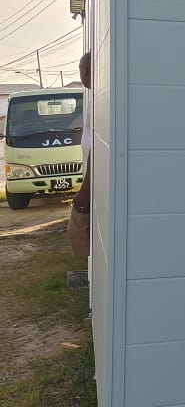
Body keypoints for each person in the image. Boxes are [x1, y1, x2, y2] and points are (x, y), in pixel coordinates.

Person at [67, 51, 91, 258]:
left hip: (92, 183)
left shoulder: (100, 101)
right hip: (92, 182)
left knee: (77, 230)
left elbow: (96, 150)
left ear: (85, 72)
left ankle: (90, 267)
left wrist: (85, 188)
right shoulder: (94, 99)